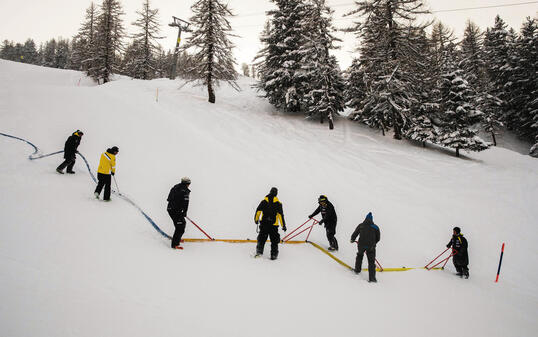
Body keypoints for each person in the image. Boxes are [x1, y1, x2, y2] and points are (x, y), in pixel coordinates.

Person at [254, 187, 287, 260]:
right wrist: (283, 226)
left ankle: (259, 251)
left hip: (264, 224)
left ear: (270, 192)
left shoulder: (264, 201)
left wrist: (256, 220)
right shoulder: (278, 204)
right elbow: (281, 216)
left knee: (261, 239)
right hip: (273, 226)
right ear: (276, 194)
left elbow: (258, 211)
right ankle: (274, 255)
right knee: (274, 241)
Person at [350, 212, 380, 283]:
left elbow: (355, 233)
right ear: (372, 220)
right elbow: (378, 238)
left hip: (361, 245)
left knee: (360, 255)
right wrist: (373, 243)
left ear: (365, 219)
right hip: (371, 247)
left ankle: (357, 270)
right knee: (371, 262)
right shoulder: (375, 227)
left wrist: (352, 239)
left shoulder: (361, 225)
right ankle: (372, 278)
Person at [167, 177, 191, 250]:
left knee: (180, 224)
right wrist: (184, 212)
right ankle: (175, 244)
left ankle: (177, 238)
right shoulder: (185, 191)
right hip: (176, 211)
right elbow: (186, 203)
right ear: (188, 184)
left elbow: (168, 198)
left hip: (170, 209)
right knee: (180, 227)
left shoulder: (175, 187)